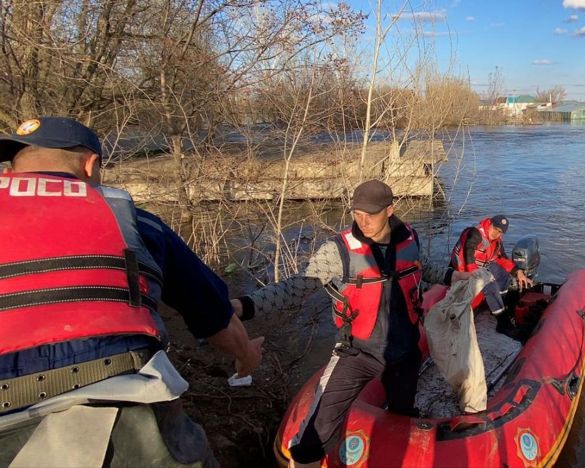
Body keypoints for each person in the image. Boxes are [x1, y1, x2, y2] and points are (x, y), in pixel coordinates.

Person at [0, 117, 263, 467]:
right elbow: (216, 318)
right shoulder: (138, 222)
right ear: (91, 165)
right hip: (118, 407)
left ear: (11, 170)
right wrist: (246, 357)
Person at [231, 179, 442, 467]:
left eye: (370, 213)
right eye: (356, 213)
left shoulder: (410, 239)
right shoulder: (337, 251)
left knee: (402, 414)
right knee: (313, 437)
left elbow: (425, 267)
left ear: (389, 210)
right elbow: (296, 288)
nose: (362, 220)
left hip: (404, 354)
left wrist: (455, 277)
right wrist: (244, 306)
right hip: (356, 354)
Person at [446, 215, 534, 335]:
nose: (496, 233)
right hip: (461, 271)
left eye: (500, 232)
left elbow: (501, 259)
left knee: (503, 275)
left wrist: (517, 271)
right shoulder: (475, 234)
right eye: (495, 229)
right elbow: (468, 253)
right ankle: (503, 323)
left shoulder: (496, 241)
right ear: (490, 224)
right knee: (490, 284)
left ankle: (500, 306)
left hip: (479, 267)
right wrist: (477, 275)